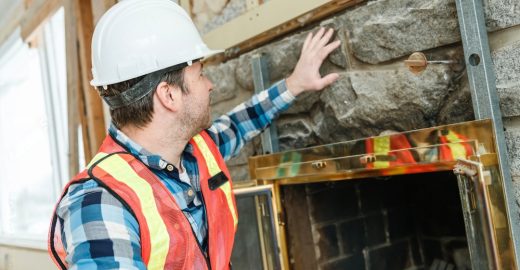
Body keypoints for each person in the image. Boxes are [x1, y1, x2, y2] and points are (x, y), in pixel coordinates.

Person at [48, 0, 340, 269]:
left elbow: (238, 124)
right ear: (169, 95)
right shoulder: (99, 203)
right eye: (200, 73)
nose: (210, 84)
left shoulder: (195, 152)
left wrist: (295, 84)